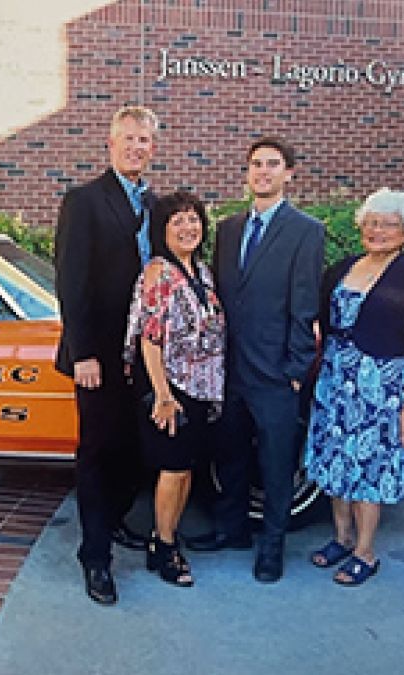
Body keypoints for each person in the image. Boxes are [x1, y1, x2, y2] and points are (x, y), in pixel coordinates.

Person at [188, 136, 324, 584]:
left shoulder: (306, 231)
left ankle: (272, 546)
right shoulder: (227, 229)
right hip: (229, 372)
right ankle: (232, 531)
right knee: (230, 457)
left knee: (276, 464)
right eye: (255, 164)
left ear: (289, 174)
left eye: (272, 164)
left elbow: (305, 307)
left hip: (276, 376)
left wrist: (295, 370)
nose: (262, 172)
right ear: (246, 173)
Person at [304, 189, 404, 585]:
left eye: (388, 224)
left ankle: (365, 551)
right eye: (371, 222)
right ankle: (341, 538)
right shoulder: (343, 269)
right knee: (335, 462)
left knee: (368, 468)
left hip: (382, 388)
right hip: (335, 381)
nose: (377, 231)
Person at [53, 105, 159, 605]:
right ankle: (94, 558)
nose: (137, 146)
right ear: (110, 144)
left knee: (133, 451)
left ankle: (115, 522)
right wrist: (83, 353)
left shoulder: (154, 204)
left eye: (145, 140)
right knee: (96, 453)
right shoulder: (85, 201)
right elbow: (71, 283)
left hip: (143, 356)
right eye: (129, 138)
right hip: (97, 355)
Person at [124, 191, 226, 587]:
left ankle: (163, 537)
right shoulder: (158, 272)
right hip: (170, 387)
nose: (188, 227)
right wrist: (164, 396)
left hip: (201, 386)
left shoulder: (201, 270)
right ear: (162, 231)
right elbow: (149, 338)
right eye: (177, 221)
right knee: (172, 469)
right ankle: (165, 548)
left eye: (193, 219)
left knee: (185, 470)